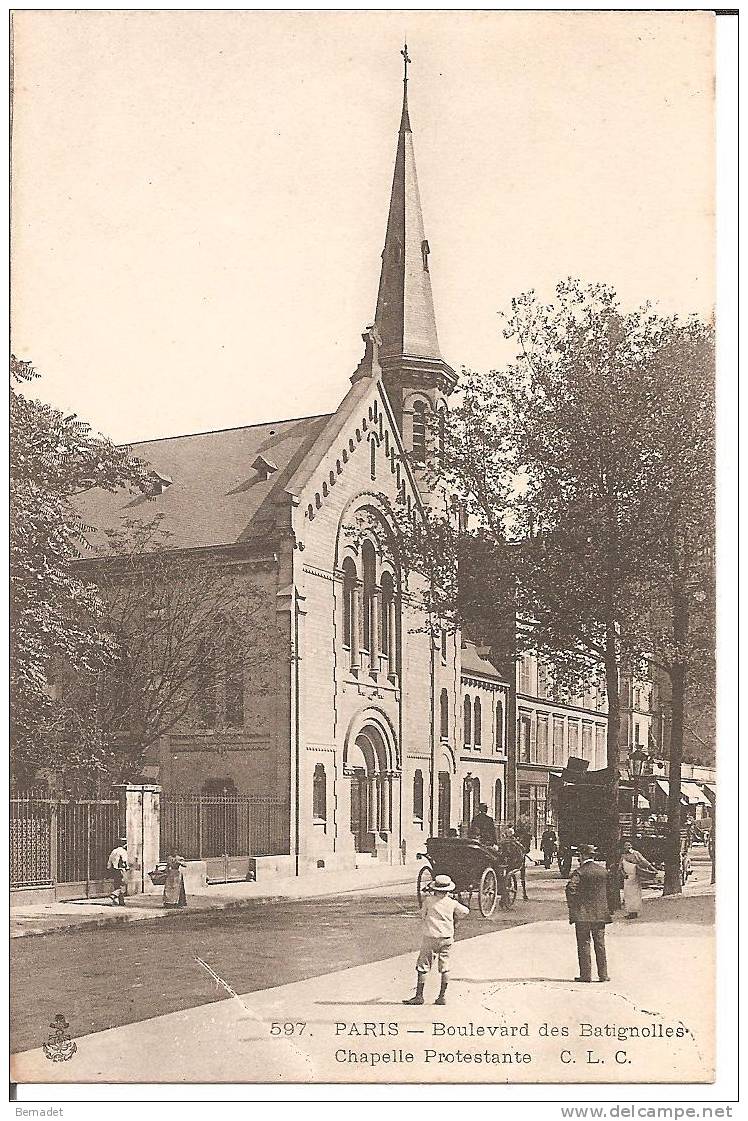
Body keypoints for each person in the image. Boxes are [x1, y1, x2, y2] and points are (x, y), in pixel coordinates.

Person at [403, 873, 469, 1007]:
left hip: (430, 937)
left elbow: (422, 915)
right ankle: (442, 997)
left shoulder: (428, 901)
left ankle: (419, 996)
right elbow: (465, 911)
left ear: (435, 889)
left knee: (423, 966)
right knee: (445, 967)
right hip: (447, 938)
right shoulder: (452, 903)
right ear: (448, 890)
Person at [565, 843, 611, 983]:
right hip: (600, 914)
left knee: (584, 943)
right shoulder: (603, 871)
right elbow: (610, 891)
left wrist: (574, 905)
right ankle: (603, 975)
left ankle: (586, 975)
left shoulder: (579, 872)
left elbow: (570, 889)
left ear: (583, 855)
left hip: (583, 914)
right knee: (600, 944)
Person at [618, 840, 657, 919]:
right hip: (627, 878)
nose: (627, 847)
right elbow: (620, 868)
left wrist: (653, 869)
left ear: (631, 846)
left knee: (635, 894)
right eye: (625, 845)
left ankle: (634, 912)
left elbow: (644, 861)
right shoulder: (623, 856)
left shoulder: (636, 853)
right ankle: (629, 911)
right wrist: (624, 874)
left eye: (629, 845)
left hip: (635, 876)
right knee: (627, 895)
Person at [500, 827, 528, 901]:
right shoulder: (516, 843)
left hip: (503, 861)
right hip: (513, 863)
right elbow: (523, 850)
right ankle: (524, 893)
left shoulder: (502, 842)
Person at [107, 836, 129, 907]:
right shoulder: (123, 851)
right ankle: (113, 895)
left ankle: (121, 901)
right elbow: (124, 861)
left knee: (117, 885)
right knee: (123, 885)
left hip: (114, 870)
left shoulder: (114, 851)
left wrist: (109, 868)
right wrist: (127, 867)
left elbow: (109, 861)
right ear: (124, 844)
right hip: (121, 869)